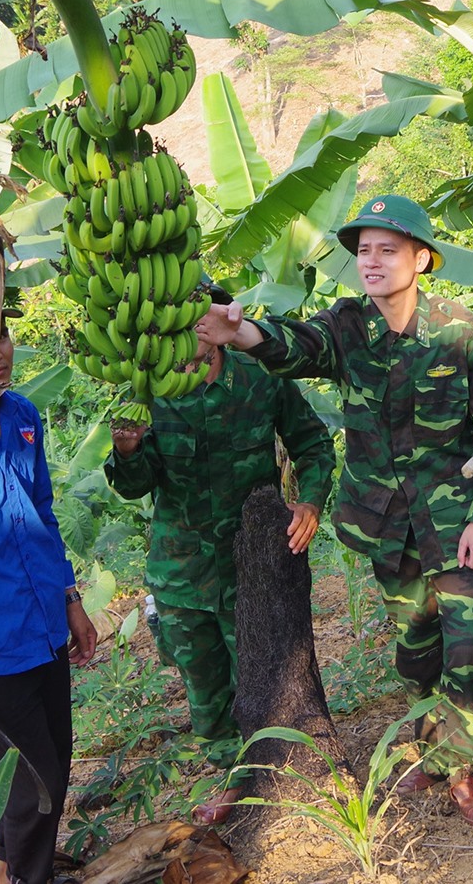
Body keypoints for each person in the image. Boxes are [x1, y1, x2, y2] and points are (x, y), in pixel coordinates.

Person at [196, 195, 473, 826]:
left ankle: (464, 768)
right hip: (388, 525)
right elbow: (295, 346)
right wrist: (241, 332)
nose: (371, 261)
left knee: (466, 648)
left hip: (457, 523)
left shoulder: (459, 331)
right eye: (363, 250)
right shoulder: (345, 327)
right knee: (417, 649)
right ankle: (430, 738)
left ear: (421, 259)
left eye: (386, 249)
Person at [106, 282, 337, 825]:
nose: (184, 344)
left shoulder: (259, 380)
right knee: (204, 685)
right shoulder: (151, 388)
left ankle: (279, 770)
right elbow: (134, 487)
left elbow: (312, 442)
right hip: (182, 569)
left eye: (194, 327)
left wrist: (309, 501)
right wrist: (127, 451)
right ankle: (230, 776)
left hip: (249, 564)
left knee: (263, 675)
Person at [0, 291, 98, 884]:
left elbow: (42, 515)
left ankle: (12, 871)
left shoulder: (23, 415)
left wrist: (72, 600)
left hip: (43, 626)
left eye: (2, 335)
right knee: (38, 781)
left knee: (51, 759)